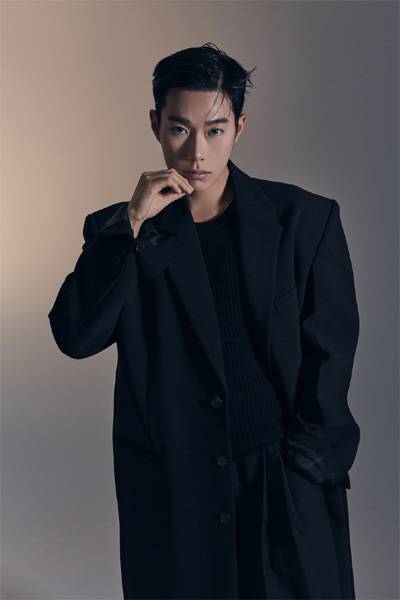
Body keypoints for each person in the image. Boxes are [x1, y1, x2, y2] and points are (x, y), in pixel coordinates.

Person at [48, 42, 361, 599]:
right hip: (178, 488)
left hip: (282, 479)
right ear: (155, 125)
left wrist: (311, 461)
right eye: (180, 129)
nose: (197, 151)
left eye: (215, 130)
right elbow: (76, 336)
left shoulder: (303, 220)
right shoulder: (121, 230)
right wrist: (132, 223)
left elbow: (330, 350)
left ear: (240, 128)